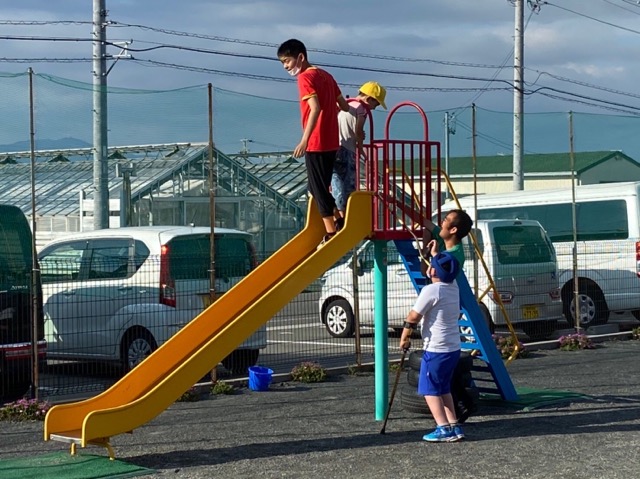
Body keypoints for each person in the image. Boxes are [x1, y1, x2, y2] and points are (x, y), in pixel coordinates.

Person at [277, 38, 350, 247]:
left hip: (316, 142)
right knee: (315, 186)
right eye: (283, 63)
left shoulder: (305, 78)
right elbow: (344, 106)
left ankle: (331, 231)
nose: (286, 67)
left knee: (317, 189)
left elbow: (315, 107)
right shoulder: (326, 75)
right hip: (331, 142)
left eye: (287, 61)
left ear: (300, 57)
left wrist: (304, 140)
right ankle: (338, 217)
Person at [400, 249, 463, 442]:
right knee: (443, 388)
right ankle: (454, 424)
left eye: (431, 266)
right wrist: (434, 253)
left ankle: (443, 428)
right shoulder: (453, 286)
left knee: (429, 390)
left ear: (434, 272)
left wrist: (404, 337)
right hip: (453, 348)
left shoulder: (431, 290)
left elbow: (413, 316)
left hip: (436, 348)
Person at [331, 81, 387, 230]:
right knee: (349, 184)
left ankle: (338, 216)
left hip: (334, 148)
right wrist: (360, 146)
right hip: (348, 150)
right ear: (369, 98)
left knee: (336, 182)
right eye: (376, 104)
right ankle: (346, 218)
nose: (374, 108)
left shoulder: (345, 104)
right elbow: (358, 130)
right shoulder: (362, 109)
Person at [420, 209, 473, 277]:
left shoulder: (453, 257)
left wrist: (428, 250)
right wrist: (402, 206)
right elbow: (424, 221)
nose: (441, 222)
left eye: (445, 220)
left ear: (453, 230)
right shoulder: (444, 238)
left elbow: (428, 273)